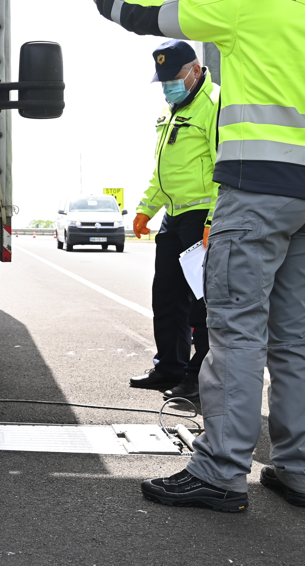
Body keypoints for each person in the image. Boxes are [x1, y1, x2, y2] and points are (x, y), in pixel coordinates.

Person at [86, 0, 305, 513]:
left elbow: (162, 16)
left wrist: (104, 3)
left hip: (258, 192)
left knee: (236, 332)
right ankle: (300, 471)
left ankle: (221, 471)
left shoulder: (251, 1)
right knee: (293, 340)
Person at [127, 40, 219, 405]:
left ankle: (198, 378)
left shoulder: (214, 106)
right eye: (163, 80)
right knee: (166, 297)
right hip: (174, 215)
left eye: (173, 78)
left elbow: (223, 166)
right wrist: (145, 208)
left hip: (201, 216)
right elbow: (163, 172)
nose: (167, 86)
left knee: (201, 304)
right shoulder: (173, 110)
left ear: (195, 71)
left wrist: (215, 218)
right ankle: (169, 367)